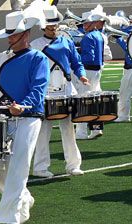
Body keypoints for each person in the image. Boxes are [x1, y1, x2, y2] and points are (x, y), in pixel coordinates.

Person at [0, 10, 49, 224]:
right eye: (8, 34)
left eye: (13, 34)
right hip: (2, 118)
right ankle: (23, 197)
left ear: (25, 34)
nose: (9, 38)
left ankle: (11, 219)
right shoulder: (2, 57)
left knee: (18, 167)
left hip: (28, 118)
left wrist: (21, 106)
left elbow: (38, 90)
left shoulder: (38, 58)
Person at [30, 5, 89, 177]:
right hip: (45, 92)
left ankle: (73, 165)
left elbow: (76, 63)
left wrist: (82, 76)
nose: (53, 27)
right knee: (43, 131)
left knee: (69, 129)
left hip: (66, 90)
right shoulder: (35, 45)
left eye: (55, 24)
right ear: (43, 26)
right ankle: (40, 168)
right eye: (49, 24)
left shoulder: (67, 42)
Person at [75, 10, 105, 140]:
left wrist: (77, 58)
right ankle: (96, 128)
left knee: (82, 100)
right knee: (94, 100)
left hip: (88, 70)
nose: (84, 26)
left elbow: (88, 57)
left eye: (87, 23)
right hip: (97, 70)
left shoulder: (87, 37)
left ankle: (81, 132)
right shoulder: (99, 35)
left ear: (93, 23)